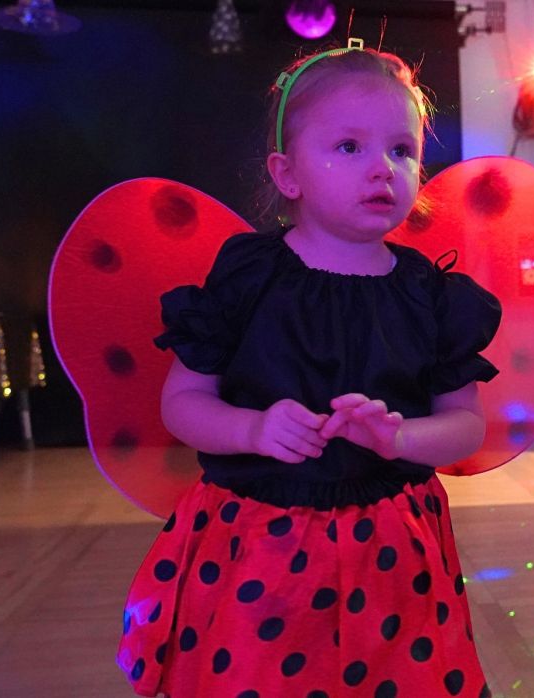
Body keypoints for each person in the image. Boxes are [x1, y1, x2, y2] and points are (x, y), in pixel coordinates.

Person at [116, 40, 499, 698]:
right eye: (349, 147)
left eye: (401, 150)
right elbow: (182, 403)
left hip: (391, 554)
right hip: (259, 548)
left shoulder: (434, 297)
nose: (382, 169)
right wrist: (253, 429)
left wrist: (401, 437)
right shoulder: (248, 277)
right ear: (287, 173)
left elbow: (466, 423)